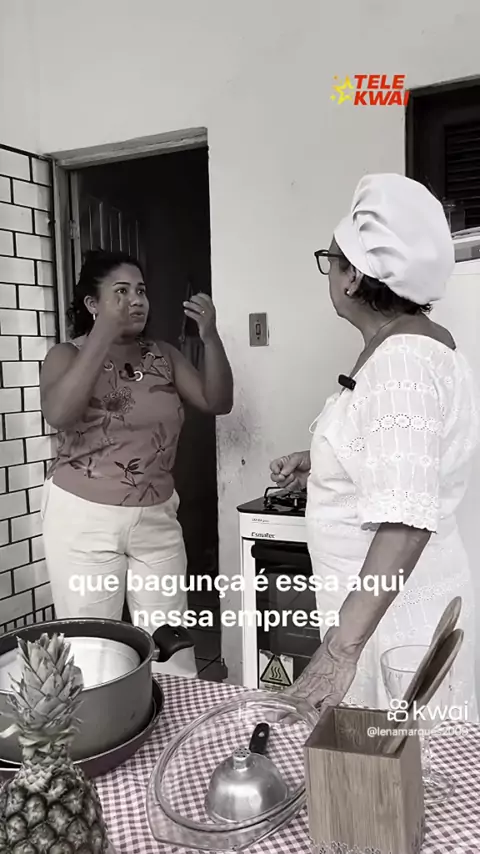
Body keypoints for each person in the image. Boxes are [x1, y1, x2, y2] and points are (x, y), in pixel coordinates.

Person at [270, 174, 480, 718]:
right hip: (383, 610)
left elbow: (406, 521)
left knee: (398, 761)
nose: (330, 272)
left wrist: (340, 650)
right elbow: (401, 461)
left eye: (331, 260)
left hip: (391, 624)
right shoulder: (404, 352)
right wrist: (323, 465)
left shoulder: (401, 364)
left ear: (354, 277)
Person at [40, 250, 233, 678]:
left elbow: (217, 401)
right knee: (92, 646)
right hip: (83, 521)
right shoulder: (65, 356)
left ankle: (173, 718)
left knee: (172, 645)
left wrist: (211, 337)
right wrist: (103, 335)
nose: (137, 301)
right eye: (122, 292)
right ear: (92, 304)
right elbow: (60, 415)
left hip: (156, 517)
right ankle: (101, 719)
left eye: (141, 291)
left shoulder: (163, 355)